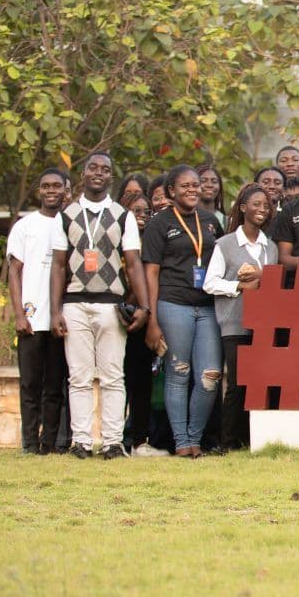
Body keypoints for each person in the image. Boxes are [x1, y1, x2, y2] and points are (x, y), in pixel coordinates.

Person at [49, 151, 150, 459]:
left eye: (105, 169)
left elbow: (133, 264)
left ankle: (112, 442)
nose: (98, 173)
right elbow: (57, 265)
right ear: (83, 174)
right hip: (75, 304)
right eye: (92, 168)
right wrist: (55, 311)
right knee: (78, 376)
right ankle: (81, 441)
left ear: (111, 177)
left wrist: (144, 306)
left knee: (112, 375)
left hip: (111, 305)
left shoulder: (123, 215)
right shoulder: (65, 216)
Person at [142, 164, 224, 458]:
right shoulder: (159, 224)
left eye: (196, 185)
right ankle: (181, 442)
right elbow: (150, 272)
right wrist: (151, 318)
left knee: (210, 375)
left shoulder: (210, 221)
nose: (192, 190)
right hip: (173, 303)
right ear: (171, 192)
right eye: (185, 186)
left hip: (207, 306)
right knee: (179, 372)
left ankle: (194, 437)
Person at [205, 183, 278, 448]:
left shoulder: (270, 247)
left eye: (266, 206)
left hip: (263, 326)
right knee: (236, 383)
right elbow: (210, 283)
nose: (262, 209)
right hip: (235, 323)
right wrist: (238, 286)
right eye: (256, 204)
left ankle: (251, 439)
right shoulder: (224, 244)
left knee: (258, 383)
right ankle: (229, 441)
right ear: (243, 207)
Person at [8, 168, 69, 454]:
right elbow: (14, 271)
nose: (51, 191)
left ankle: (50, 444)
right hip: (32, 319)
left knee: (55, 386)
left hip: (60, 318)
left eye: (57, 186)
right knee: (30, 384)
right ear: (39, 191)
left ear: (65, 190)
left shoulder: (70, 223)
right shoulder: (25, 226)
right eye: (46, 186)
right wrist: (19, 314)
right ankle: (30, 443)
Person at [118, 192, 168, 456]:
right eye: (135, 211)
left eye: (146, 212)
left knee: (141, 384)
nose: (141, 216)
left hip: (144, 318)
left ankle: (138, 441)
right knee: (118, 381)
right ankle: (116, 440)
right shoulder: (114, 239)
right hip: (118, 319)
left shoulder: (152, 240)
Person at [255, 167, 286, 233]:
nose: (272, 186)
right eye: (266, 182)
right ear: (255, 187)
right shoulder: (246, 218)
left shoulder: (287, 220)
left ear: (283, 190)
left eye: (277, 183)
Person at [196, 163, 226, 228]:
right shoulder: (185, 216)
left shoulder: (226, 221)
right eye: (203, 181)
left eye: (214, 181)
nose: (209, 185)